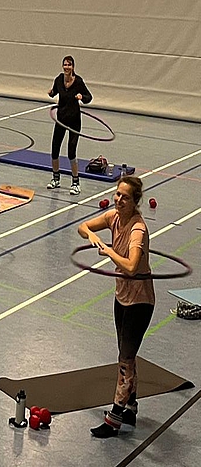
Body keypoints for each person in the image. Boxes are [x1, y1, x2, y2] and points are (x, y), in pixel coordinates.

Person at [78, 175, 154, 438]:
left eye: (125, 197)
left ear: (135, 202)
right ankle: (130, 407)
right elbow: (83, 227)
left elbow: (131, 266)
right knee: (126, 354)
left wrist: (109, 251)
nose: (119, 199)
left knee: (125, 359)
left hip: (140, 301)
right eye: (118, 194)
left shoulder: (137, 230)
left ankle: (114, 419)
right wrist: (92, 237)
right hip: (122, 296)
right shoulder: (113, 217)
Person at [48, 55, 93, 196]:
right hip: (61, 120)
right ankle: (56, 178)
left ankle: (75, 183)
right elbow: (54, 92)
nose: (66, 67)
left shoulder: (78, 81)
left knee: (71, 152)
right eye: (65, 65)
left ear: (73, 67)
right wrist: (51, 93)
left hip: (74, 121)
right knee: (55, 150)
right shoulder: (59, 79)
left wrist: (82, 97)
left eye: (69, 65)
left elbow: (89, 97)